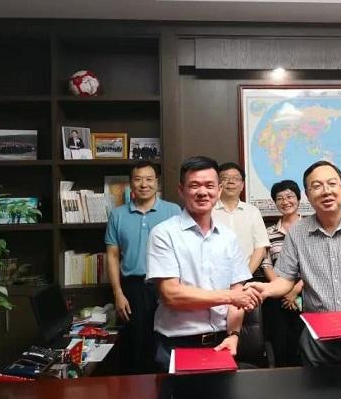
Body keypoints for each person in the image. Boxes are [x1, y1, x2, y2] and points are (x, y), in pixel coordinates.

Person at [247, 160, 341, 367]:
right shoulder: (297, 233)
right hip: (318, 343)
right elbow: (285, 279)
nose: (326, 191)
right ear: (308, 194)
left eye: (332, 183)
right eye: (317, 186)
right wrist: (265, 290)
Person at [145, 156, 262, 372]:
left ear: (219, 190)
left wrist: (234, 334)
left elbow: (237, 292)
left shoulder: (228, 237)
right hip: (177, 344)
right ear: (181, 190)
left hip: (221, 342)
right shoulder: (163, 234)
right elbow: (172, 295)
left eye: (209, 185)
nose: (202, 192)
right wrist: (230, 296)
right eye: (194, 185)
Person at [104, 160, 181, 374]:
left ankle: (168, 387)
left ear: (157, 182)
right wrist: (118, 293)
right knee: (136, 345)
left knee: (166, 342)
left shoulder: (173, 211)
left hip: (166, 284)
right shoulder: (118, 214)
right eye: (138, 179)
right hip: (133, 287)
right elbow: (112, 255)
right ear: (130, 184)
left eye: (149, 179)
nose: (144, 184)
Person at [260, 179, 304, 367]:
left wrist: (295, 290)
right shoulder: (269, 232)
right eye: (280, 198)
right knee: (280, 343)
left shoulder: (310, 227)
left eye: (290, 196)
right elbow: (266, 263)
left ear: (298, 199)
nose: (285, 201)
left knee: (304, 344)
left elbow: (315, 264)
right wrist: (282, 290)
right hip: (278, 294)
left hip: (307, 293)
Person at [212, 162, 270, 277]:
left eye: (236, 178)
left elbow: (260, 247)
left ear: (242, 185)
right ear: (217, 183)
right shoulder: (208, 211)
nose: (231, 182)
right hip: (213, 278)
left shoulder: (252, 211)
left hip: (246, 277)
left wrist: (244, 276)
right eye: (225, 178)